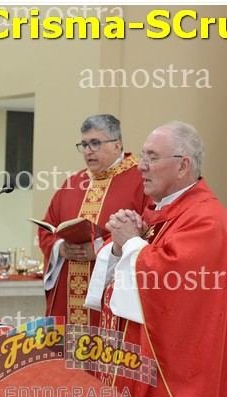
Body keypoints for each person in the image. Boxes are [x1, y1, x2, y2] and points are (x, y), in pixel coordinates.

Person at [84, 122, 227, 397]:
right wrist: (120, 245)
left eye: (152, 157)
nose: (142, 166)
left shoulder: (206, 218)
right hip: (137, 362)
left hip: (173, 372)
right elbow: (136, 267)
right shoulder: (161, 212)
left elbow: (168, 283)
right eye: (143, 157)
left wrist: (131, 242)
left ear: (183, 166)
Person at [37, 114, 148, 326]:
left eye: (95, 143)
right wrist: (60, 248)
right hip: (67, 297)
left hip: (112, 295)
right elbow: (46, 229)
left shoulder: (141, 181)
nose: (88, 151)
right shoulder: (73, 182)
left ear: (117, 145)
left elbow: (148, 231)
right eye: (84, 144)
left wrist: (100, 248)